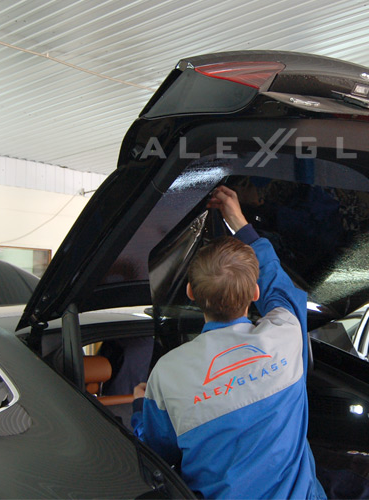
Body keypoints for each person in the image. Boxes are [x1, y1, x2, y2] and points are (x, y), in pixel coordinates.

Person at [132, 185, 326, 500]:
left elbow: (157, 458)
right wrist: (239, 222)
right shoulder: (286, 334)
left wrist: (141, 407)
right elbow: (278, 284)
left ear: (191, 292)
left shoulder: (166, 374)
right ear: (255, 293)